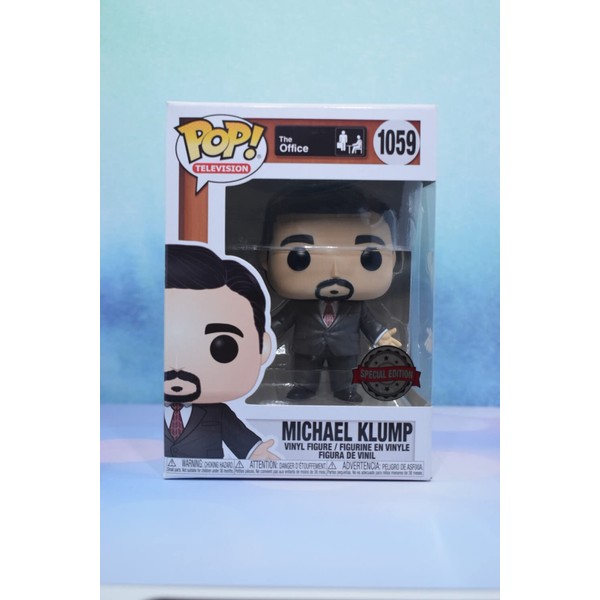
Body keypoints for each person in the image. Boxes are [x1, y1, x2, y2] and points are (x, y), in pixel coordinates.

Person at [261, 183, 401, 403]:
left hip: (345, 348)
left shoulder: (355, 305)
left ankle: (345, 389)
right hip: (307, 347)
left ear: (393, 259)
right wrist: (265, 334)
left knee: (345, 369)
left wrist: (380, 336)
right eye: (299, 258)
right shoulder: (300, 304)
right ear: (265, 259)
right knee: (305, 368)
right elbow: (282, 320)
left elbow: (368, 322)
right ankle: (304, 388)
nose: (335, 272)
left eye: (369, 258)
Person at [164, 244, 277, 458]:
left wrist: (255, 452)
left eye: (223, 347)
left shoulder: (217, 411)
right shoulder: (140, 411)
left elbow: (240, 439)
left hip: (209, 475)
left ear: (263, 347)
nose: (177, 366)